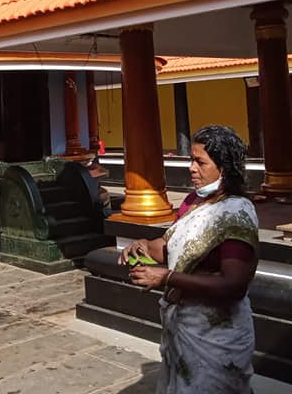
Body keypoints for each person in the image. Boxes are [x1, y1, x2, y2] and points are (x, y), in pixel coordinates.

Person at [119, 124, 259, 393]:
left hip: (215, 336)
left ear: (225, 167)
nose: (191, 168)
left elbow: (234, 285)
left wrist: (167, 277)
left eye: (200, 162)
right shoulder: (192, 202)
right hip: (182, 329)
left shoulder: (235, 213)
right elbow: (172, 246)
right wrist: (145, 246)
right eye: (191, 160)